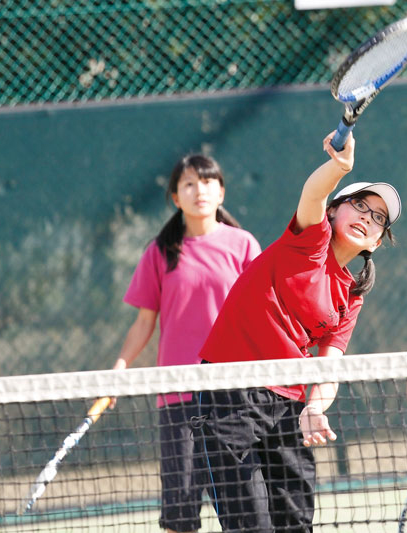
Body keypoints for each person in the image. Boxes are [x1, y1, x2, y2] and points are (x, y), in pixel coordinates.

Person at [194, 131, 401, 532]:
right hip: (228, 392)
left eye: (378, 218)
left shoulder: (351, 297)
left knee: (295, 523)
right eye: (359, 205)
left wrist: (315, 407)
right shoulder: (310, 240)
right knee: (249, 524)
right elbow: (313, 193)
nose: (366, 217)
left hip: (287, 407)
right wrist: (339, 167)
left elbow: (328, 367)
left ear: (376, 242)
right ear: (335, 211)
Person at [112, 154, 261, 533]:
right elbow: (144, 322)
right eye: (189, 184)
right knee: (180, 514)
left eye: (208, 182)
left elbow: (263, 315)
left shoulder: (243, 245)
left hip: (233, 395)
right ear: (176, 197)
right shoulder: (160, 252)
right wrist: (120, 368)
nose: (200, 191)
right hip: (178, 396)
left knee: (244, 509)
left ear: (222, 191)